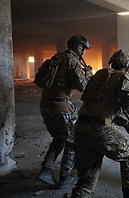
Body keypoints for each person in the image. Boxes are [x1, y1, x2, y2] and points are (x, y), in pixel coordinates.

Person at [70, 50, 129, 198]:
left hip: (81, 126)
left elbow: (101, 109)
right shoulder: (123, 77)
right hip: (100, 129)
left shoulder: (99, 74)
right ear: (128, 67)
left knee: (88, 175)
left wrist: (124, 124)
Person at [36, 35, 93, 189]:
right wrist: (87, 74)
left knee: (59, 138)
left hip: (45, 105)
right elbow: (82, 87)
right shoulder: (72, 61)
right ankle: (64, 178)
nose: (85, 53)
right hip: (60, 106)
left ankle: (46, 170)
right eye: (84, 49)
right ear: (79, 47)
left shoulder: (56, 58)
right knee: (72, 141)